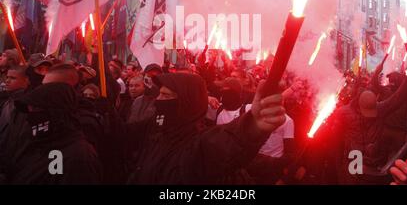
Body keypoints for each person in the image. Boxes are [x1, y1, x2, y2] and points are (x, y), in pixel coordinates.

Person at [126, 73, 286, 184]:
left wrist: (253, 126)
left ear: (187, 103)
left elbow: (222, 145)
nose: (157, 101)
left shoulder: (195, 148)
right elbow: (121, 135)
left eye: (166, 96)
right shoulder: (156, 131)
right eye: (159, 94)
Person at [1, 64, 102, 184]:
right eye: (43, 85)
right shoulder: (39, 133)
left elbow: (58, 172)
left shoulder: (75, 144)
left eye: (51, 87)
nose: (42, 91)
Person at [333, 65, 407, 184]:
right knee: (353, 178)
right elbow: (336, 141)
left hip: (372, 158)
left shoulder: (379, 108)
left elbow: (397, 99)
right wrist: (338, 164)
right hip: (354, 154)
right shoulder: (343, 113)